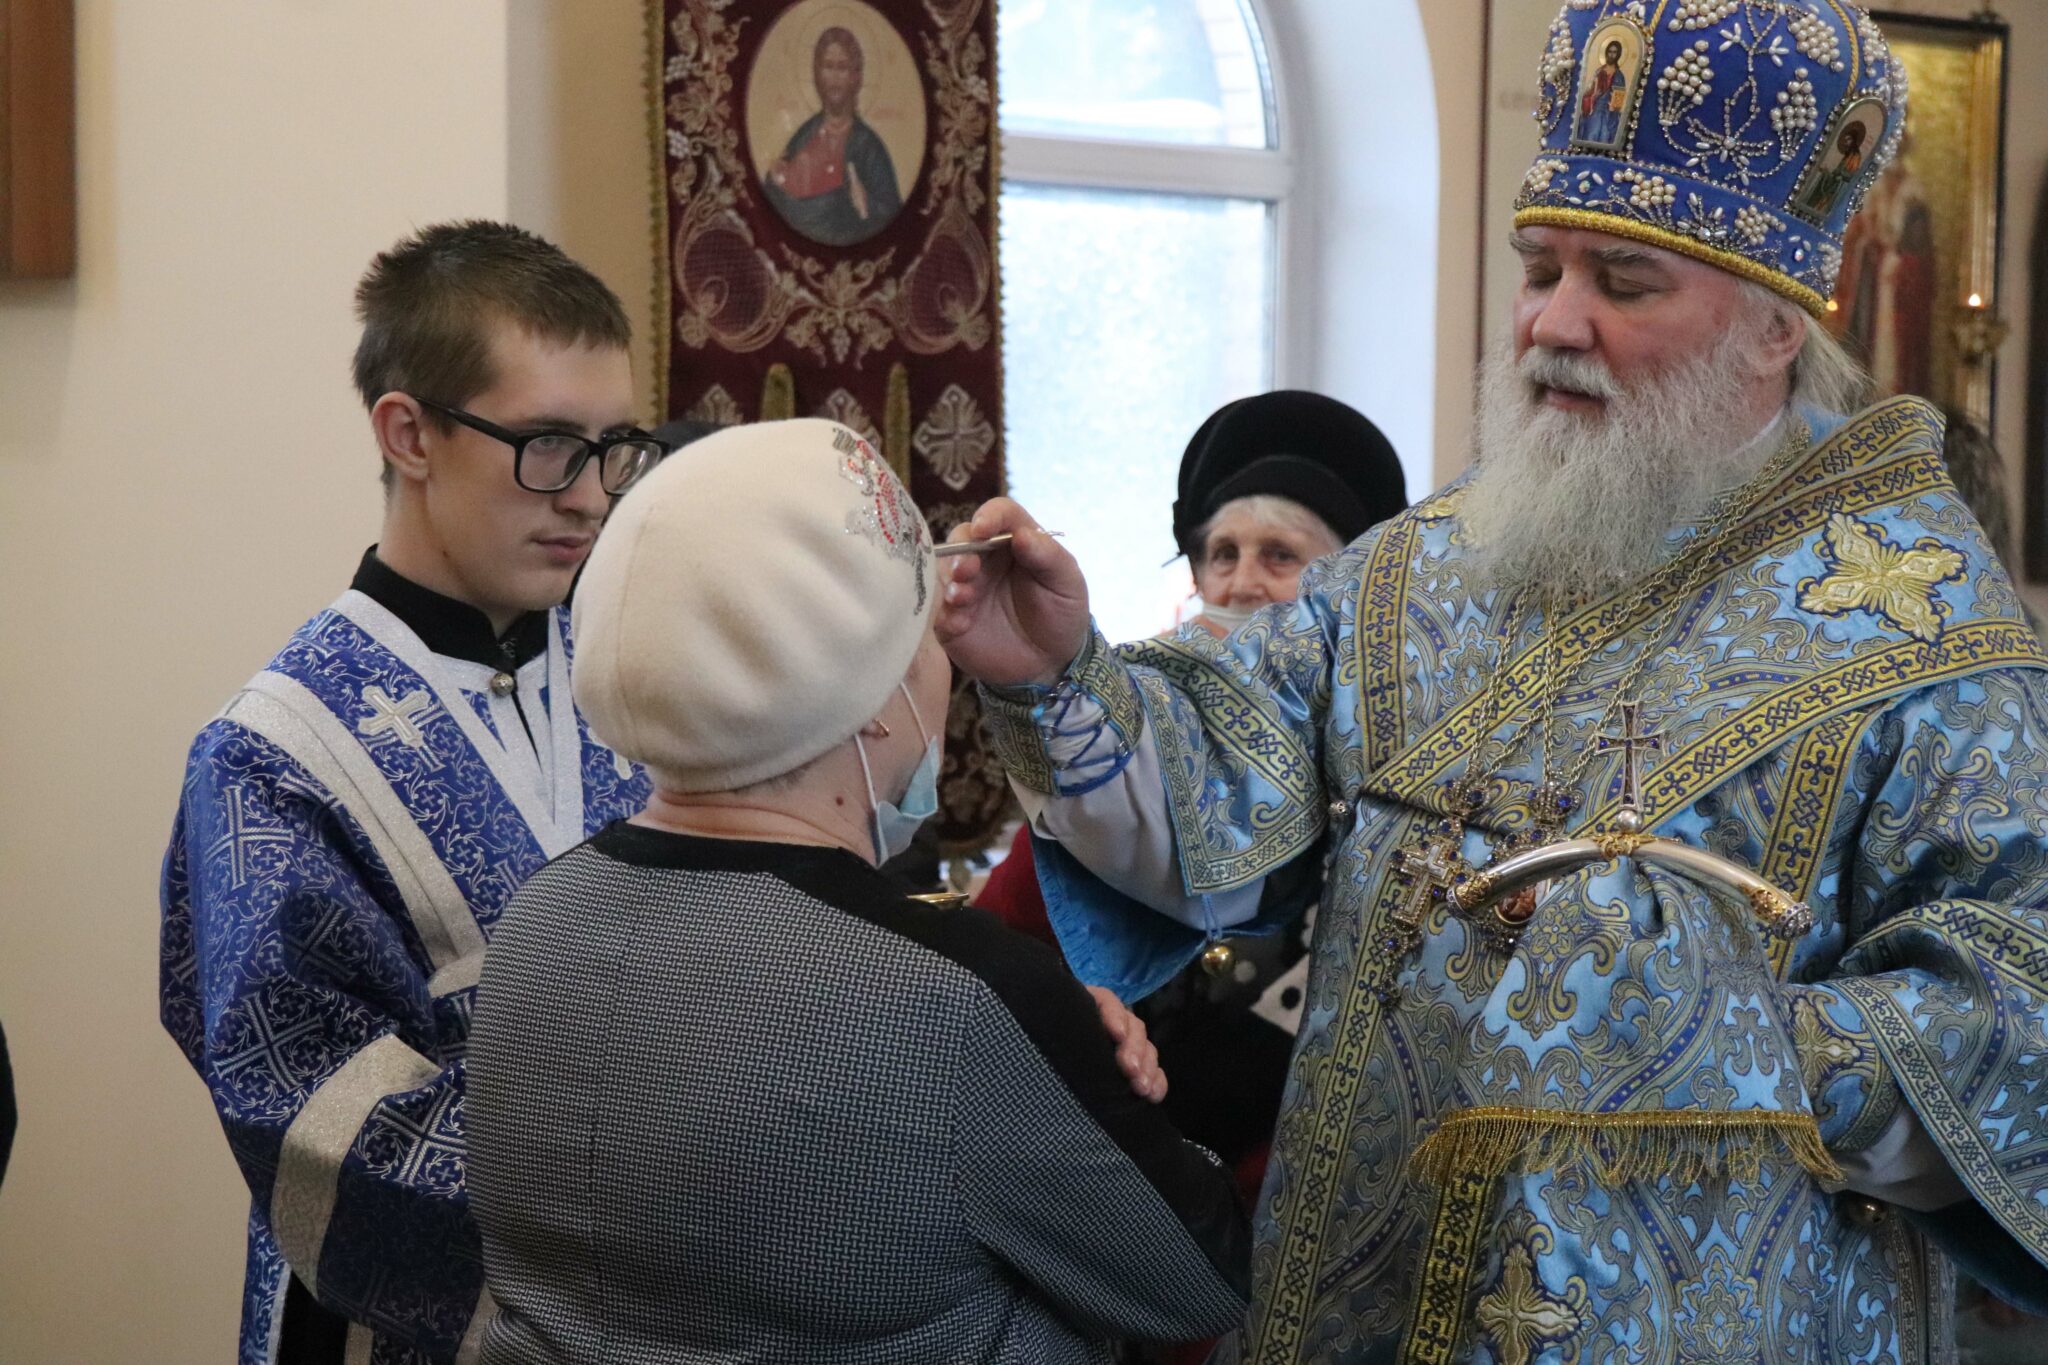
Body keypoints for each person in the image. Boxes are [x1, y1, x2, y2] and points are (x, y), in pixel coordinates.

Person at [941, 8, 2048, 1359]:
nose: (1552, 320)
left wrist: (1717, 1031)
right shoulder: (1425, 569)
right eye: (1540, 266)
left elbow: (2017, 1021)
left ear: (1773, 328)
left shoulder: (1928, 638)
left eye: (1624, 281)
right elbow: (1225, 788)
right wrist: (1061, 674)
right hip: (1375, 1288)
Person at [465, 420, 1249, 1365]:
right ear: (874, 707)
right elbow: (1196, 1279)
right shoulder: (958, 996)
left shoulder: (534, 918)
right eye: (923, 637)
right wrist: (1076, 1067)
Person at [160, 220, 662, 1365]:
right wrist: (641, 1226)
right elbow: (310, 1112)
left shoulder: (640, 675)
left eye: (611, 446)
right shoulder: (274, 757)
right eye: (545, 445)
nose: (589, 496)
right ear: (410, 433)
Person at [977, 391, 1407, 1203]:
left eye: (1280, 555)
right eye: (1221, 552)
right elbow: (996, 959)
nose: (1241, 582)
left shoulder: (1394, 788)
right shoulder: (1120, 775)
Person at [763, 27, 904, 247]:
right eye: (828, 67)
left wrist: (866, 206)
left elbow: (895, 221)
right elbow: (777, 203)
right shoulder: (804, 135)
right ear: (817, 75)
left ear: (856, 77)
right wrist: (775, 180)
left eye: (843, 68)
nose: (835, 77)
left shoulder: (868, 146)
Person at [1575, 39, 1628, 146]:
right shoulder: (1598, 72)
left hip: (1609, 114)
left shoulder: (1619, 75)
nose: (1611, 55)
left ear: (1618, 55)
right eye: (1610, 51)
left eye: (1614, 52)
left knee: (1605, 137)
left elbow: (1619, 97)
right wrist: (1594, 96)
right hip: (1594, 110)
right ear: (1606, 52)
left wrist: (1614, 107)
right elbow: (1588, 92)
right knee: (1590, 135)